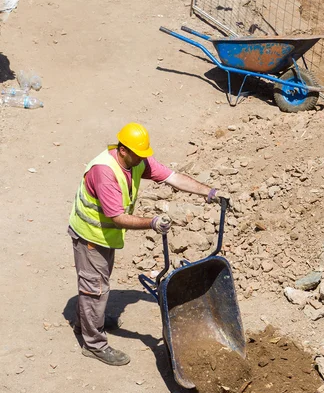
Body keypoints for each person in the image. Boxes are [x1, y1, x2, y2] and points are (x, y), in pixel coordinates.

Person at [68, 122, 227, 366]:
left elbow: (172, 177)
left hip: (104, 235)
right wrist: (152, 222)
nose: (143, 158)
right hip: (90, 236)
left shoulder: (136, 160)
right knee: (95, 288)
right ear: (123, 150)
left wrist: (210, 192)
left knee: (97, 283)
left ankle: (89, 320)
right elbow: (117, 217)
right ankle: (94, 344)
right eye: (138, 154)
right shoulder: (105, 172)